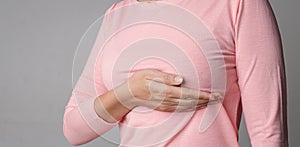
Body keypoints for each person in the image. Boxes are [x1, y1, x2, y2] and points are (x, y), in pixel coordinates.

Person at [63, 0, 288, 146]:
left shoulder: (238, 4)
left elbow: (268, 134)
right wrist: (129, 94)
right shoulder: (117, 14)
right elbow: (74, 130)